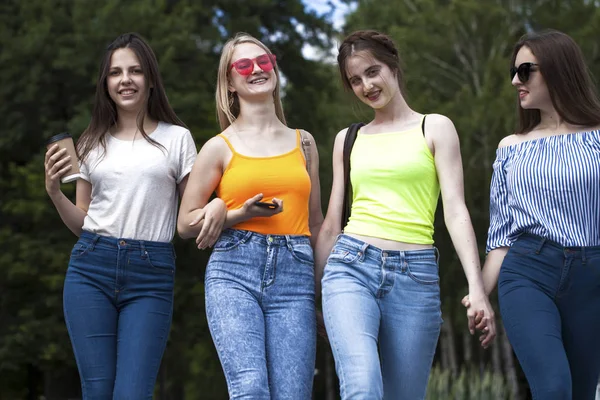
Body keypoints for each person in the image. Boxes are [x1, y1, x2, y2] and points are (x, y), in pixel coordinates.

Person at [314, 30, 496, 399]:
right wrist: (314, 293)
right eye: (355, 80)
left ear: (393, 66)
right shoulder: (347, 139)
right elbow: (332, 222)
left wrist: (477, 289)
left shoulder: (435, 127)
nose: (366, 85)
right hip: (350, 266)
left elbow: (456, 210)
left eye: (372, 71)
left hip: (416, 276)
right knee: (363, 386)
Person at [44, 32, 224, 399]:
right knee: (97, 390)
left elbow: (190, 218)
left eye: (135, 71)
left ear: (151, 79)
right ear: (105, 83)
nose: (125, 79)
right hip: (90, 267)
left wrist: (218, 206)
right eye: (115, 73)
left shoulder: (178, 139)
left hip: (150, 275)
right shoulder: (90, 143)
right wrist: (52, 192)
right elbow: (83, 222)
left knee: (133, 393)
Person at [177, 32, 324, 399]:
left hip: (296, 276)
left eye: (264, 60)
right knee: (251, 389)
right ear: (229, 81)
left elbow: (317, 224)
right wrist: (229, 212)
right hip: (234, 271)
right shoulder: (218, 147)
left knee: (293, 394)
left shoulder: (303, 142)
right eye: (243, 64)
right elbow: (184, 223)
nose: (256, 69)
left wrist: (326, 292)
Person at [463, 29, 600, 400]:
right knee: (554, 388)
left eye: (525, 71)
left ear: (557, 69)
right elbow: (501, 237)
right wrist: (479, 294)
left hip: (592, 279)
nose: (514, 81)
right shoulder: (511, 148)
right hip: (528, 271)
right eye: (514, 71)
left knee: (583, 392)